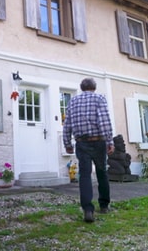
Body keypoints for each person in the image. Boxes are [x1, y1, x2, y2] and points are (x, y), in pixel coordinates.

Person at [63, 78, 114, 223]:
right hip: (98, 141)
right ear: (94, 87)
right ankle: (104, 205)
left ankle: (88, 209)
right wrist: (109, 141)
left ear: (81, 88)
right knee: (101, 172)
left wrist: (67, 143)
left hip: (81, 142)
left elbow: (67, 124)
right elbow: (104, 121)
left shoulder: (73, 101)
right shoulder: (99, 98)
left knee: (84, 175)